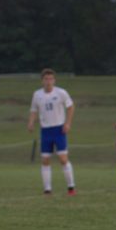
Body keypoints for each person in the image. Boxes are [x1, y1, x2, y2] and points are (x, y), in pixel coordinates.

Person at [27, 68, 77, 196]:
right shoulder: (37, 94)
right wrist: (31, 122)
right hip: (45, 131)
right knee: (45, 160)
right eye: (46, 79)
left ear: (54, 80)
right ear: (42, 81)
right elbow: (33, 109)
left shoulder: (61, 93)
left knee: (63, 159)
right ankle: (47, 190)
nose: (48, 81)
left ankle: (71, 188)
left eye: (50, 79)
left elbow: (71, 107)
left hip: (59, 129)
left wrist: (68, 123)